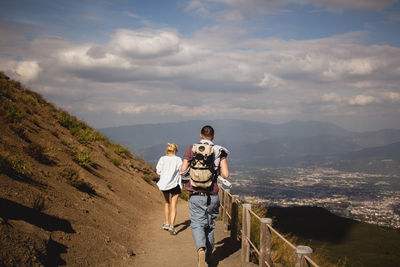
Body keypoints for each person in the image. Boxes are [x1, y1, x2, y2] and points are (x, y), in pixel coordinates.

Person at [180, 125, 230, 267]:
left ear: (201, 135)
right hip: (212, 194)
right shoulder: (219, 151)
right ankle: (208, 257)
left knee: (197, 223)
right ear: (213, 137)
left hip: (196, 194)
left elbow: (183, 170)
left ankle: (201, 248)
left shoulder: (192, 149)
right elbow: (226, 174)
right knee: (210, 225)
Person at [156, 142, 182, 235]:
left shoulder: (162, 159)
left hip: (164, 184)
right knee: (174, 206)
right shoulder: (178, 159)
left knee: (167, 203)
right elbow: (181, 170)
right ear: (175, 151)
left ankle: (166, 223)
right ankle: (172, 226)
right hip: (175, 184)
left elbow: (158, 171)